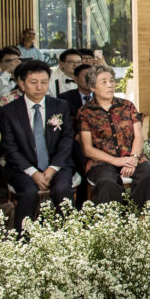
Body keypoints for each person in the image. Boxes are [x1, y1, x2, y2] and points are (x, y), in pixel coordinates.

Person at [0, 59, 76, 233]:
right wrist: (33, 173)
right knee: (28, 192)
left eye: (43, 82)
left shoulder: (60, 105)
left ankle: (69, 236)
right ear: (22, 83)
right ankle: (23, 238)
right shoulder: (9, 111)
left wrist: (52, 169)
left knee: (62, 189)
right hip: (23, 167)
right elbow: (9, 147)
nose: (39, 87)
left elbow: (66, 139)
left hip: (57, 164)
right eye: (33, 82)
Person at [78, 65, 150, 207]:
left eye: (112, 81)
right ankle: (113, 222)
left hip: (132, 157)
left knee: (148, 175)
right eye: (104, 82)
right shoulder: (86, 112)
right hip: (102, 162)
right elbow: (87, 149)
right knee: (108, 183)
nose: (110, 85)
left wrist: (133, 159)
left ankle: (141, 217)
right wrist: (117, 161)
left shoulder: (127, 106)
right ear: (92, 87)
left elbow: (139, 136)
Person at [59, 63, 93, 205]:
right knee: (79, 157)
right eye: (86, 76)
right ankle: (81, 203)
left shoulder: (103, 97)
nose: (90, 79)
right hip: (75, 142)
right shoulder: (63, 99)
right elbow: (63, 125)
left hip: (99, 142)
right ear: (75, 79)